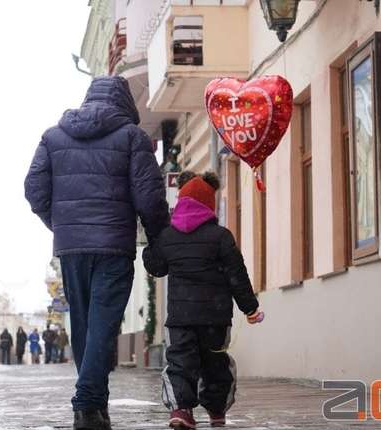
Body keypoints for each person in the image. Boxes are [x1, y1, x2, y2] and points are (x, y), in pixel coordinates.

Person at [25, 76, 169, 430]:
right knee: (102, 326)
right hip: (113, 245)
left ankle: (95, 404)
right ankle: (87, 403)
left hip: (72, 248)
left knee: (84, 326)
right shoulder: (132, 137)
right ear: (125, 103)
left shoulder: (53, 137)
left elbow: (34, 190)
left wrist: (62, 224)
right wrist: (158, 238)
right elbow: (149, 197)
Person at [143, 172, 262, 429]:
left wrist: (151, 244)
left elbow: (156, 268)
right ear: (210, 205)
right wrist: (250, 308)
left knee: (180, 363)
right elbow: (236, 275)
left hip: (180, 319)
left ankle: (181, 410)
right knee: (215, 364)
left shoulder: (168, 236)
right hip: (215, 318)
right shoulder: (221, 236)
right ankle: (216, 410)